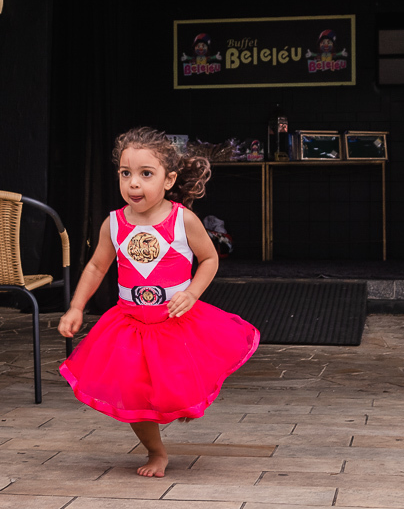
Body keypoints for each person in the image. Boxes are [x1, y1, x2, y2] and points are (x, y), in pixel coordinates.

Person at [58, 127, 260, 478]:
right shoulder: (114, 224)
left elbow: (209, 259)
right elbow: (95, 266)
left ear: (169, 180)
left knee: (175, 386)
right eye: (125, 173)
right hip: (130, 325)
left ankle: (180, 405)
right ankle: (156, 451)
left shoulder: (183, 220)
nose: (133, 184)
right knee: (135, 396)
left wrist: (192, 293)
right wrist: (76, 306)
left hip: (176, 322)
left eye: (145, 174)